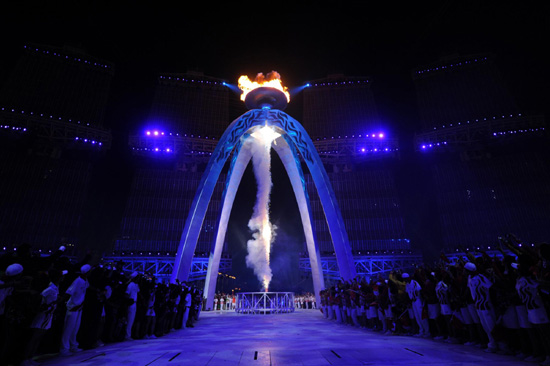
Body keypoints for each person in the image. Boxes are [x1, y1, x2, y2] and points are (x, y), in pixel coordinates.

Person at [21, 269, 63, 366]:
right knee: (34, 337)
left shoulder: (55, 287)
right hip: (43, 316)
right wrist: (47, 305)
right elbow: (40, 299)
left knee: (38, 338)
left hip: (48, 315)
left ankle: (30, 358)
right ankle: (25, 359)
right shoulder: (49, 289)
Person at [60, 264, 90, 356]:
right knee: (68, 329)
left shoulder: (85, 280)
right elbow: (69, 292)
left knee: (75, 328)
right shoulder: (78, 281)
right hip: (73, 308)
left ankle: (73, 346)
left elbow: (87, 288)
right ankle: (64, 349)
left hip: (79, 307)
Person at [125, 271, 140, 341]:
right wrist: (128, 302)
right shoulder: (130, 285)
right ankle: (127, 335)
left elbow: (138, 291)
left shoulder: (136, 285)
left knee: (132, 320)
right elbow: (127, 294)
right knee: (129, 320)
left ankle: (129, 334)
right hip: (131, 303)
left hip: (135, 303)